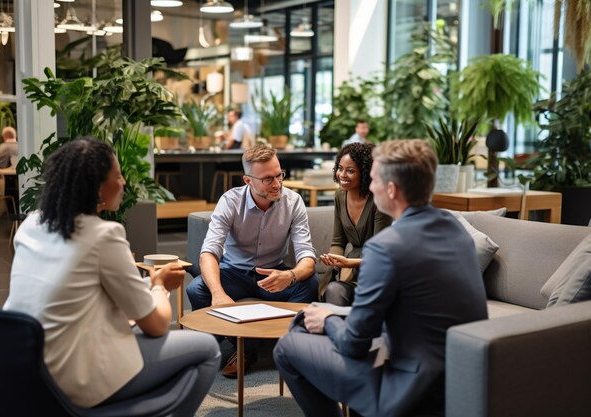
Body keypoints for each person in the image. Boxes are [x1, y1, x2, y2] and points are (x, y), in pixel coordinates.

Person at [3, 138, 220, 414]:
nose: (124, 182)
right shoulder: (103, 235)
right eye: (118, 175)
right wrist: (159, 286)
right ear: (97, 188)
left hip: (26, 367)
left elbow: (75, 292)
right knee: (206, 348)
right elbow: (156, 325)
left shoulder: (31, 223)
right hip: (77, 377)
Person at [273, 139, 488, 417]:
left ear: (391, 189)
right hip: (459, 376)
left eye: (373, 179)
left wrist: (327, 319)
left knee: (289, 344)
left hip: (409, 388)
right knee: (319, 321)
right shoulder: (455, 231)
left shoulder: (385, 247)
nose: (370, 187)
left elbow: (354, 344)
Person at [186, 144, 319, 377]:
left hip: (273, 274)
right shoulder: (230, 201)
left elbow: (306, 256)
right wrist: (217, 292)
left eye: (279, 175)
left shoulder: (293, 202)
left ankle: (256, 348)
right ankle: (245, 348)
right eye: (268, 179)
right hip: (234, 272)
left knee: (310, 283)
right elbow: (209, 252)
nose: (277, 184)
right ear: (248, 180)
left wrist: (290, 275)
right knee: (197, 289)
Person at [319, 143, 392, 306]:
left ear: (366, 173)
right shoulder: (340, 195)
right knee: (333, 290)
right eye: (340, 168)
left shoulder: (379, 200)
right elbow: (338, 241)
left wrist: (348, 263)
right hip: (350, 271)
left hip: (376, 272)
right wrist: (332, 262)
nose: (342, 175)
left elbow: (380, 254)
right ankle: (339, 330)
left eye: (350, 170)